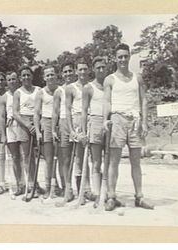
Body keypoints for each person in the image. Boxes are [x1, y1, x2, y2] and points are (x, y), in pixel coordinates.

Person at [103, 43, 154, 210]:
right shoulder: (110, 79)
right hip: (117, 120)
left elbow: (144, 100)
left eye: (125, 56)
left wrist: (145, 121)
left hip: (135, 122)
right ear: (115, 59)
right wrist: (105, 119)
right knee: (114, 161)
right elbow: (107, 101)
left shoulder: (137, 78)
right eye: (120, 57)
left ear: (130, 56)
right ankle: (111, 196)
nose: (123, 59)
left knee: (136, 162)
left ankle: (139, 197)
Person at [65, 58, 93, 204]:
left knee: (92, 158)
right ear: (76, 71)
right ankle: (80, 192)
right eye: (80, 69)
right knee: (79, 159)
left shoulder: (92, 86)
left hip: (91, 121)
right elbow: (68, 111)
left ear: (89, 70)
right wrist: (71, 130)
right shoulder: (70, 88)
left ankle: (88, 190)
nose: (82, 72)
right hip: (77, 121)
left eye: (85, 69)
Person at [13, 65, 44, 199]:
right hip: (23, 123)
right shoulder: (18, 92)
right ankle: (31, 184)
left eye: (28, 75)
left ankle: (43, 184)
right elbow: (15, 113)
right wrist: (27, 125)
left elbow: (44, 107)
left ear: (32, 76)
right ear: (20, 78)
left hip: (39, 120)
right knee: (27, 156)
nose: (26, 77)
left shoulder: (39, 90)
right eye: (23, 75)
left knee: (43, 154)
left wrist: (37, 124)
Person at [82, 56, 108, 205]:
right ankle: (97, 194)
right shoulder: (88, 87)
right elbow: (84, 111)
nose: (101, 70)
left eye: (103, 67)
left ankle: (108, 193)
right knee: (96, 162)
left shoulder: (110, 85)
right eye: (98, 67)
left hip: (109, 123)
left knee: (110, 161)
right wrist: (84, 132)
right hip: (96, 123)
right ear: (93, 69)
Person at [34, 65, 61, 199]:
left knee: (60, 158)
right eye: (48, 75)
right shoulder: (41, 93)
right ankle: (48, 188)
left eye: (52, 74)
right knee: (49, 159)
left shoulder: (61, 90)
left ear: (56, 75)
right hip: (46, 123)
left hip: (60, 123)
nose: (50, 77)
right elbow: (36, 114)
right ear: (44, 78)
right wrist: (38, 131)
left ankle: (58, 187)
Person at [52, 61, 75, 202]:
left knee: (79, 159)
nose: (68, 74)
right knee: (65, 159)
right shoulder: (59, 91)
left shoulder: (81, 87)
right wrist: (54, 128)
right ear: (62, 74)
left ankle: (86, 189)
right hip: (64, 124)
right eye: (65, 72)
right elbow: (55, 112)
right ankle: (68, 188)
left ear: (74, 72)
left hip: (77, 123)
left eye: (70, 71)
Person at [4, 71, 24, 196]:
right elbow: (1, 114)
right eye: (10, 79)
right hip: (11, 128)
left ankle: (32, 184)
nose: (12, 81)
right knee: (15, 157)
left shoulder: (22, 92)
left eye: (14, 78)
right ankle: (19, 184)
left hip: (23, 126)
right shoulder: (5, 96)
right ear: (7, 81)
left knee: (27, 156)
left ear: (18, 80)